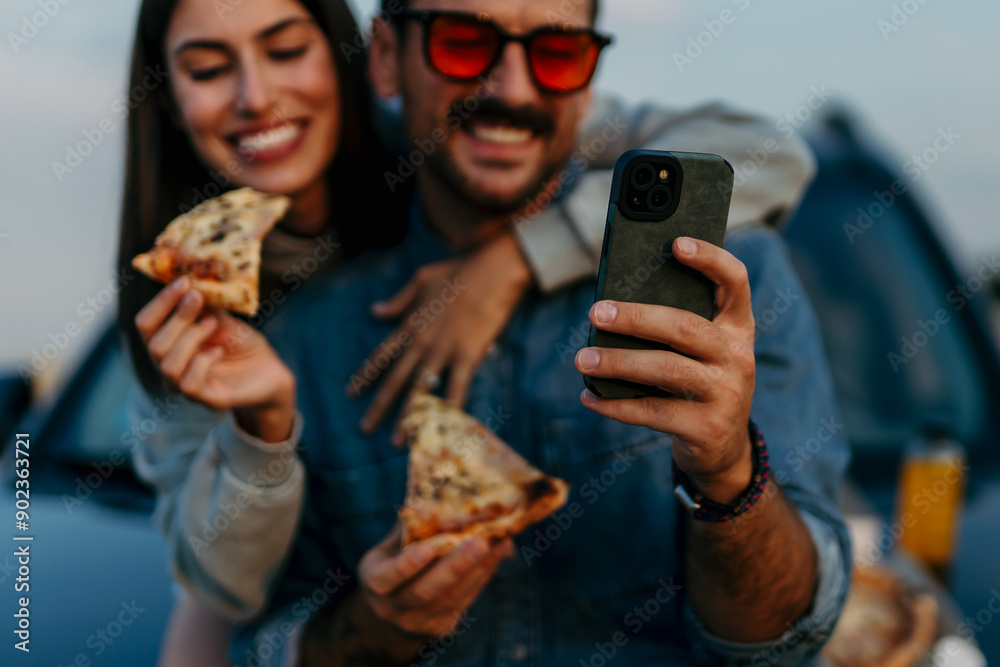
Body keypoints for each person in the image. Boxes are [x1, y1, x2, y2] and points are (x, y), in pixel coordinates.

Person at [117, 2, 820, 658]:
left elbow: (772, 152)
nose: (256, 96)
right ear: (386, 57)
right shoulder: (229, 325)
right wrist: (371, 624)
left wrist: (518, 257)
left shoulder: (720, 280)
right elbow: (235, 599)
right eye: (462, 41)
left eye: (558, 52)